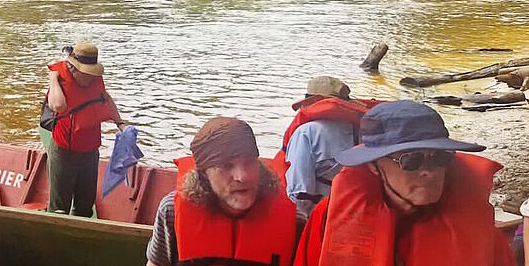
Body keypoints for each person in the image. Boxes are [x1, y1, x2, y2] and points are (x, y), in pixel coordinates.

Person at [294, 100, 516, 266]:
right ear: (374, 166)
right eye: (411, 160)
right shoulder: (328, 217)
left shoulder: (476, 225)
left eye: (440, 157)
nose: (429, 172)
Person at [146, 117, 301, 266]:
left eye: (249, 162)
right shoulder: (171, 211)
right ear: (203, 175)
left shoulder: (296, 221)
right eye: (226, 166)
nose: (242, 176)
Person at [43, 41, 124, 217]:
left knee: (85, 206)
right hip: (64, 151)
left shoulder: (96, 81)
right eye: (86, 73)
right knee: (59, 208)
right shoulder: (61, 80)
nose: (90, 77)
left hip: (90, 152)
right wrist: (53, 79)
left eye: (92, 73)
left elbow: (106, 99)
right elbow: (57, 106)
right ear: (73, 69)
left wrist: (120, 123)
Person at [283, 76, 378, 217]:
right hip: (357, 212)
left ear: (311, 103)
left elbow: (298, 192)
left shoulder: (307, 132)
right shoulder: (364, 131)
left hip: (319, 216)